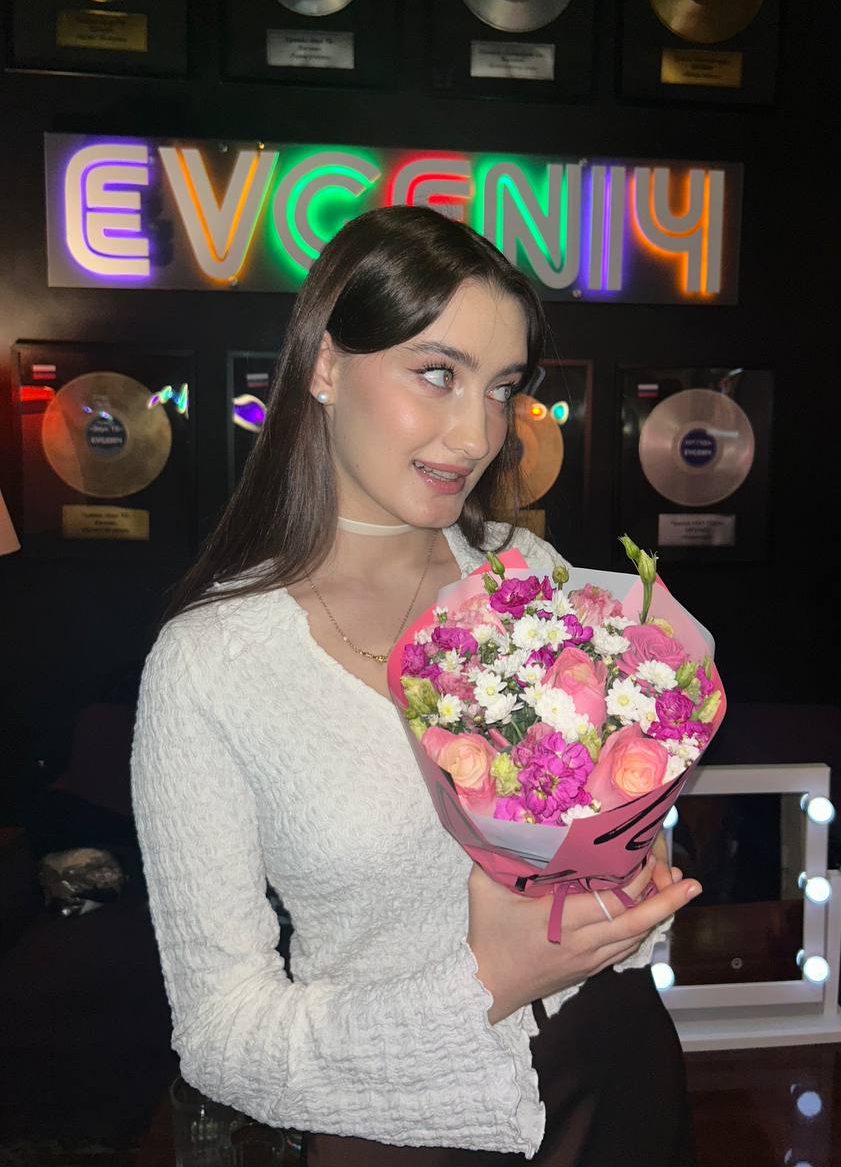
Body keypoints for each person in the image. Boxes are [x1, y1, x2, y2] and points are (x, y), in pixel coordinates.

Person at [130, 206, 703, 1166]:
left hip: (619, 1065)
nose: (476, 434)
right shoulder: (211, 664)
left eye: (502, 389)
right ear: (324, 364)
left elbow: (602, 822)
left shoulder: (528, 573)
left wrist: (628, 870)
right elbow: (219, 1036)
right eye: (438, 372)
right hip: (404, 1126)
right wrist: (488, 980)